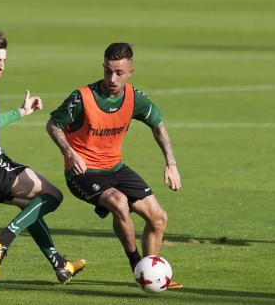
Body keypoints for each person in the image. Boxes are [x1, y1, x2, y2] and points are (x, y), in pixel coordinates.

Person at [0, 30, 85, 282]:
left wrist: (21, 112)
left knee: (29, 208)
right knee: (52, 196)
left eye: (4, 61)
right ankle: (1, 242)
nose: (1, 66)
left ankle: (60, 265)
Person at [46, 42, 183, 288]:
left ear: (130, 72)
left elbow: (158, 126)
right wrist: (69, 152)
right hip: (83, 171)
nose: (112, 78)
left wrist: (170, 163)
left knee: (158, 218)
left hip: (115, 168)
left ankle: (151, 276)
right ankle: (136, 265)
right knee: (119, 202)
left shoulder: (134, 98)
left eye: (119, 73)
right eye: (108, 71)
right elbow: (53, 125)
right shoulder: (82, 97)